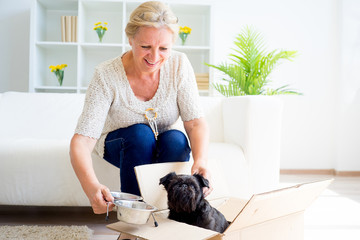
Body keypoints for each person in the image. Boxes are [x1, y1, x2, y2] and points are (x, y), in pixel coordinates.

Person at [70, 1, 212, 214]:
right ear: (131, 39)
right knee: (140, 134)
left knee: (177, 139)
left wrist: (201, 160)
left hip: (161, 142)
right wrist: (91, 188)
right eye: (145, 47)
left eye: (163, 48)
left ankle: (166, 217)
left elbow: (195, 123)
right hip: (120, 142)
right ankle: (131, 221)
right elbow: (82, 142)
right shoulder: (105, 75)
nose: (154, 58)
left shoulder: (179, 65)